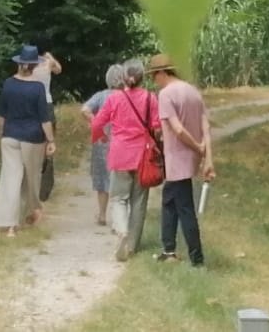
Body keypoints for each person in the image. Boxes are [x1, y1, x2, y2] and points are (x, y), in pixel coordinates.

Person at [88, 58, 160, 261]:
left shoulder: (114, 99)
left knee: (119, 197)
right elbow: (156, 126)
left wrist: (100, 136)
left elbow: (96, 123)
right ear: (142, 78)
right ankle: (132, 246)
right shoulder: (150, 98)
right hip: (143, 155)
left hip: (120, 154)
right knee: (139, 201)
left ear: (124, 78)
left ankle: (121, 231)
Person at [148, 52, 214, 267]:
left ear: (162, 73)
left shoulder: (166, 95)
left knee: (185, 208)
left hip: (177, 158)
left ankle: (197, 258)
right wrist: (206, 156)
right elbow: (206, 126)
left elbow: (177, 129)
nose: (153, 81)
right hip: (190, 158)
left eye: (154, 76)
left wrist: (196, 146)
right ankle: (168, 249)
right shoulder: (193, 91)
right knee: (169, 201)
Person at [0, 44, 56, 238]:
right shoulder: (37, 88)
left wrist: (5, 130)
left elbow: (1, 114)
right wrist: (51, 140)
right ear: (34, 66)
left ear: (19, 64)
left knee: (10, 179)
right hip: (33, 138)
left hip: (10, 136)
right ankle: (32, 210)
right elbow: (44, 119)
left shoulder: (8, 84)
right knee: (31, 178)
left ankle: (9, 225)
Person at [81, 63, 126, 228]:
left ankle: (101, 214)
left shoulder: (101, 96)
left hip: (102, 143)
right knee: (120, 181)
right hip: (122, 144)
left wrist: (96, 123)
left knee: (102, 181)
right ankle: (118, 217)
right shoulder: (127, 96)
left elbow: (84, 109)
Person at [26, 48, 63, 200]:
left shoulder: (27, 67)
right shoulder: (47, 64)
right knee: (48, 144)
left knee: (32, 142)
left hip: (31, 105)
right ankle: (45, 186)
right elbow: (59, 70)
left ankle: (31, 183)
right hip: (46, 104)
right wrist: (51, 56)